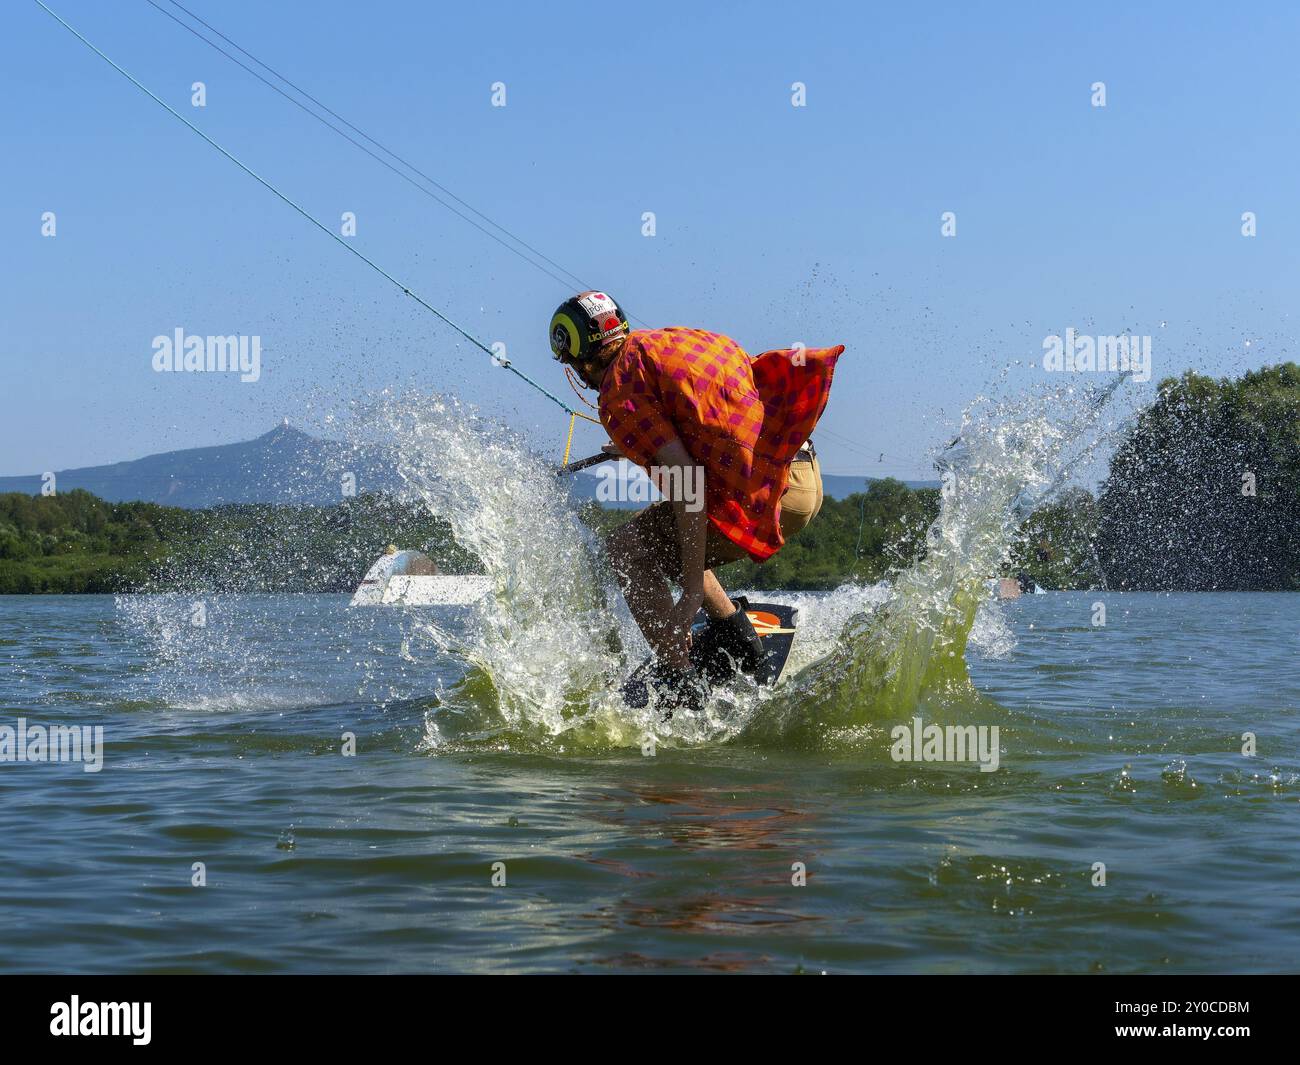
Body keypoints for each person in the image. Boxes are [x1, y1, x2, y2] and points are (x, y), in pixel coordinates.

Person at [549, 291, 840, 712]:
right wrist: (633, 445)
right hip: (803, 473)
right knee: (664, 535)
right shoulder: (673, 340)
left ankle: (679, 680)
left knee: (629, 550)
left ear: (581, 356)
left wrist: (688, 592)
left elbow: (686, 480)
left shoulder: (618, 393)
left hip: (774, 495)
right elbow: (708, 412)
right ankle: (734, 640)